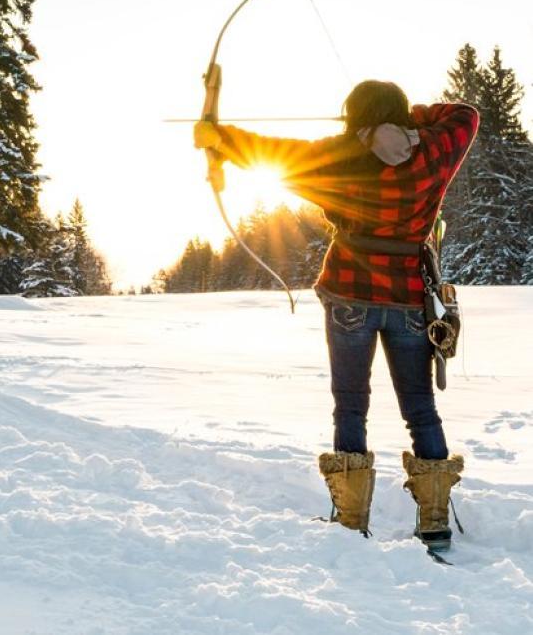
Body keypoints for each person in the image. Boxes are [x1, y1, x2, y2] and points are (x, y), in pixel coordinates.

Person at [194, 80, 479, 552]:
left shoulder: (342, 154)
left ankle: (351, 520)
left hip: (350, 292)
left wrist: (220, 139)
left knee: (351, 403)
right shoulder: (432, 152)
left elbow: (273, 153)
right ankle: (433, 521)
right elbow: (465, 114)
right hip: (409, 296)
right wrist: (410, 124)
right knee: (420, 408)